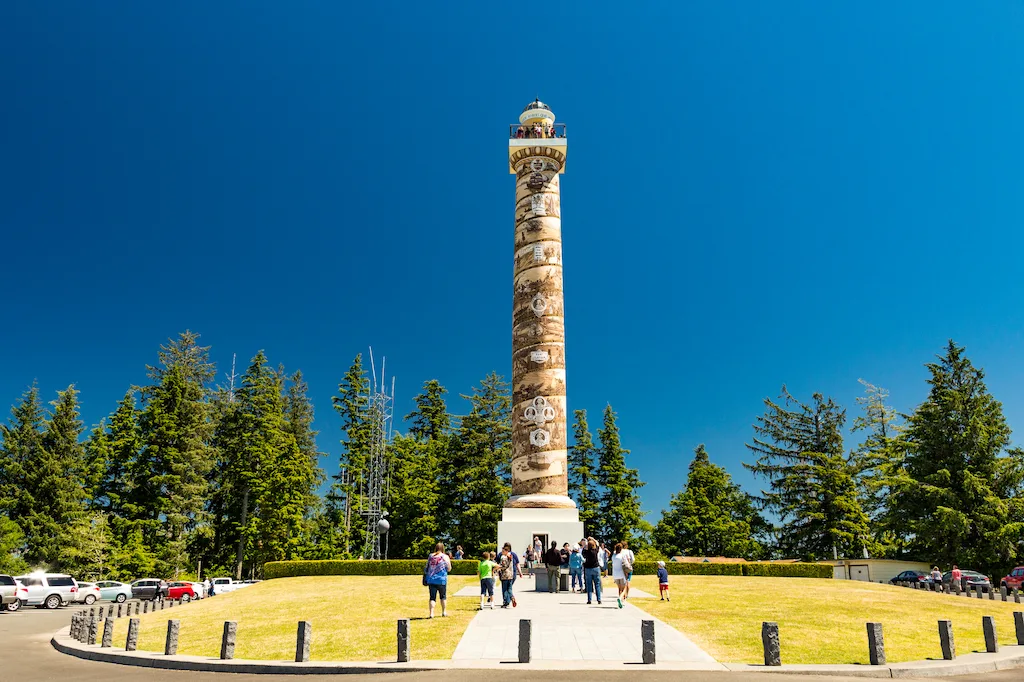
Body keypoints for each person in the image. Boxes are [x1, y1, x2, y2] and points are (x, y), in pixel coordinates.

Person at [425, 542, 452, 618]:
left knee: (432, 597)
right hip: (441, 580)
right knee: (443, 597)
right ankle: (444, 612)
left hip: (431, 579)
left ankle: (431, 613)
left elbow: (426, 567)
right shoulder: (445, 556)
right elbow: (449, 568)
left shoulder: (431, 556)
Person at [582, 539, 602, 605]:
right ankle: (599, 599)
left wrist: (585, 546)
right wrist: (593, 539)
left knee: (589, 585)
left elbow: (583, 551)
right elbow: (598, 544)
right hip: (596, 568)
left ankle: (589, 599)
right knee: (597, 584)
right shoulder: (595, 551)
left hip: (588, 568)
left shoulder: (586, 552)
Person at [498, 544, 516, 608]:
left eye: (503, 551)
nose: (502, 552)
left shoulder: (503, 557)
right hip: (510, 575)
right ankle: (512, 597)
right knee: (510, 588)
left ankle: (506, 602)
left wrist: (498, 567)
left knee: (505, 589)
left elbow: (503, 566)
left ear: (506, 551)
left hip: (504, 575)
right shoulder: (511, 557)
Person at [612, 543, 627, 608]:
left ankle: (620, 601)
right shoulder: (622, 556)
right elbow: (626, 564)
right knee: (624, 588)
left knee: (619, 588)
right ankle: (620, 598)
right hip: (621, 574)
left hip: (615, 574)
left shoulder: (613, 556)